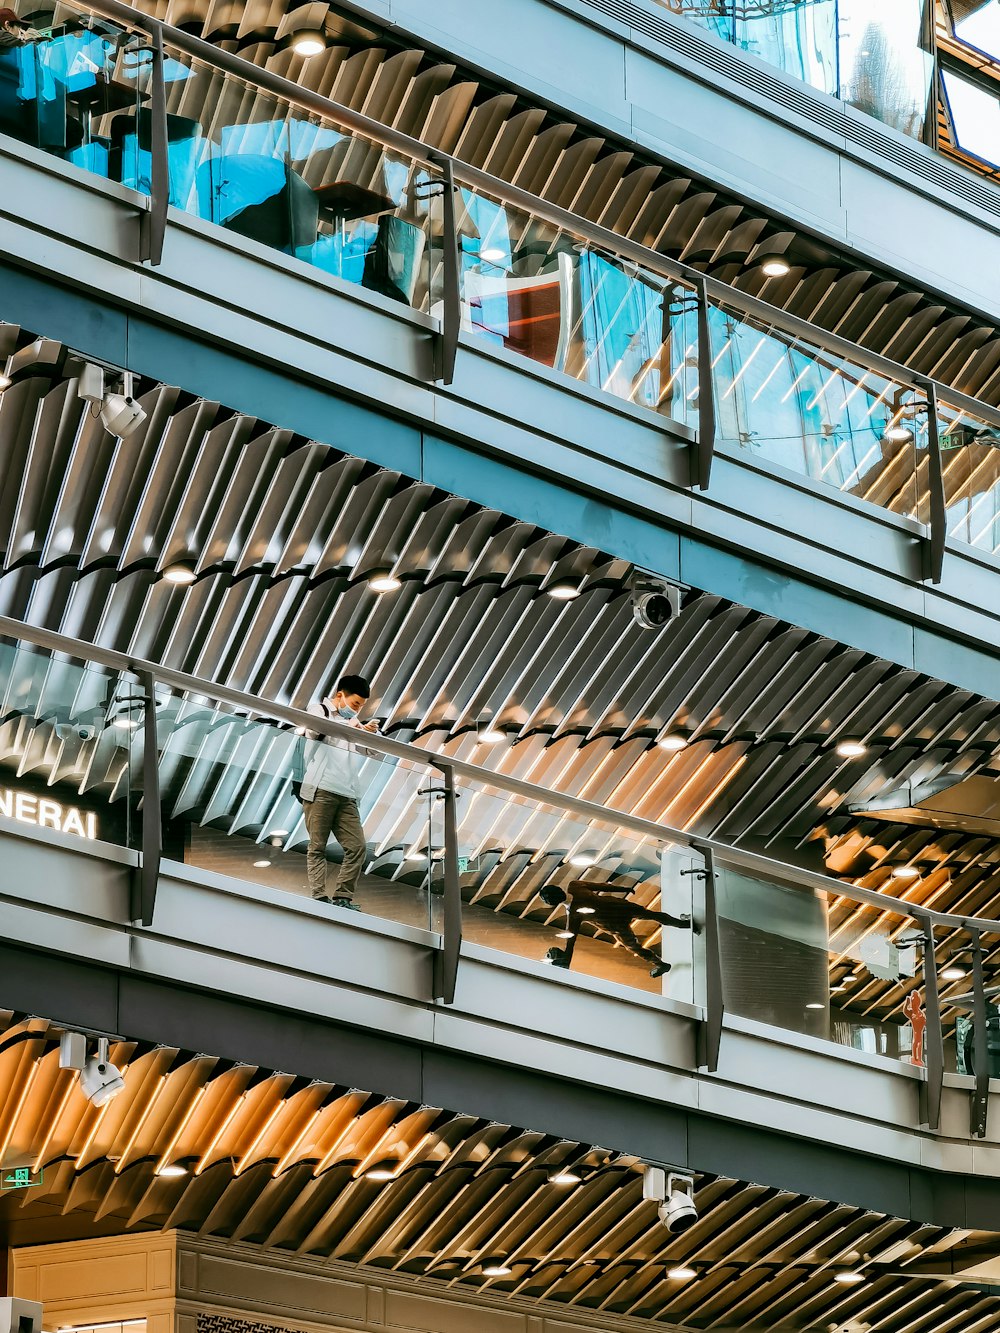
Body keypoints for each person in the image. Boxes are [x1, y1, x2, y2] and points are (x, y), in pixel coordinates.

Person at [297, 673, 379, 911]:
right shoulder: (319, 709)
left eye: (361, 707)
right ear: (340, 695)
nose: (356, 711)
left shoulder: (355, 723)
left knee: (358, 847)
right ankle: (319, 897)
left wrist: (368, 733)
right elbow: (314, 732)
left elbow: (372, 753)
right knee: (317, 846)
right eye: (355, 704)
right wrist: (352, 726)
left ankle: (343, 897)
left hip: (347, 794)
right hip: (321, 788)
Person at [540, 879, 698, 977]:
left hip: (614, 924)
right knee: (652, 915)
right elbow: (602, 887)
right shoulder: (575, 886)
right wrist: (624, 889)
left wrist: (564, 963)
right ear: (559, 889)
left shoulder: (573, 914)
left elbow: (570, 943)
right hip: (618, 907)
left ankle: (661, 964)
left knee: (635, 947)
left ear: (552, 904)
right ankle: (686, 924)